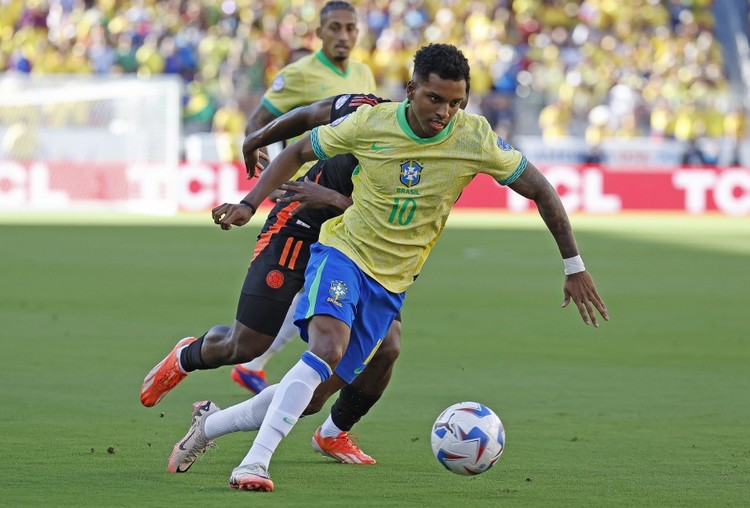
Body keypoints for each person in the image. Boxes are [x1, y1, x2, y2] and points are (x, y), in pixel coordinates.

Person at [203, 43, 609, 492]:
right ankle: (254, 464)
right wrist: (249, 203)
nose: (444, 113)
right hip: (343, 251)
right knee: (326, 348)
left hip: (391, 281)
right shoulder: (372, 122)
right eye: (435, 98)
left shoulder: (473, 138)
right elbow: (299, 150)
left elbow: (542, 190)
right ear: (412, 89)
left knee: (313, 397)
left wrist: (574, 266)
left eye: (456, 103)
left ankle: (207, 426)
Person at [141, 93, 396, 466]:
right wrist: (256, 148)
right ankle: (186, 356)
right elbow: (307, 117)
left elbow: (394, 218)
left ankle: (332, 432)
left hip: (357, 247)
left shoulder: (436, 154)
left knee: (386, 348)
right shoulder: (366, 109)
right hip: (300, 226)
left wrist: (335, 199)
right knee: (246, 345)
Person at [234, 0, 377, 393]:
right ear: (320, 32)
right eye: (335, 28)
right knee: (307, 284)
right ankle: (258, 363)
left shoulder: (363, 72)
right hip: (304, 193)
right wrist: (269, 169)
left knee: (321, 286)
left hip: (343, 194)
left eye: (350, 28)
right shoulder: (298, 73)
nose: (343, 36)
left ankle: (257, 365)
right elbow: (258, 123)